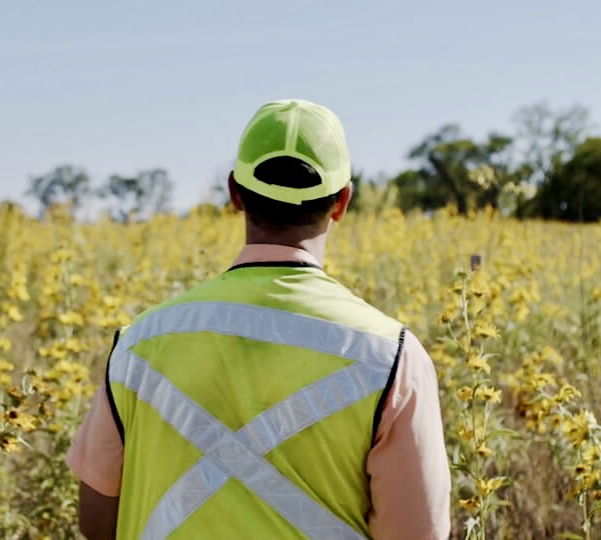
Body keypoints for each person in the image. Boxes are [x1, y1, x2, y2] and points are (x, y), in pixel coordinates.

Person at [66, 98, 452, 539]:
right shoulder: (394, 358)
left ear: (235, 193)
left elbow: (97, 521)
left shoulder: (138, 344)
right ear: (343, 201)